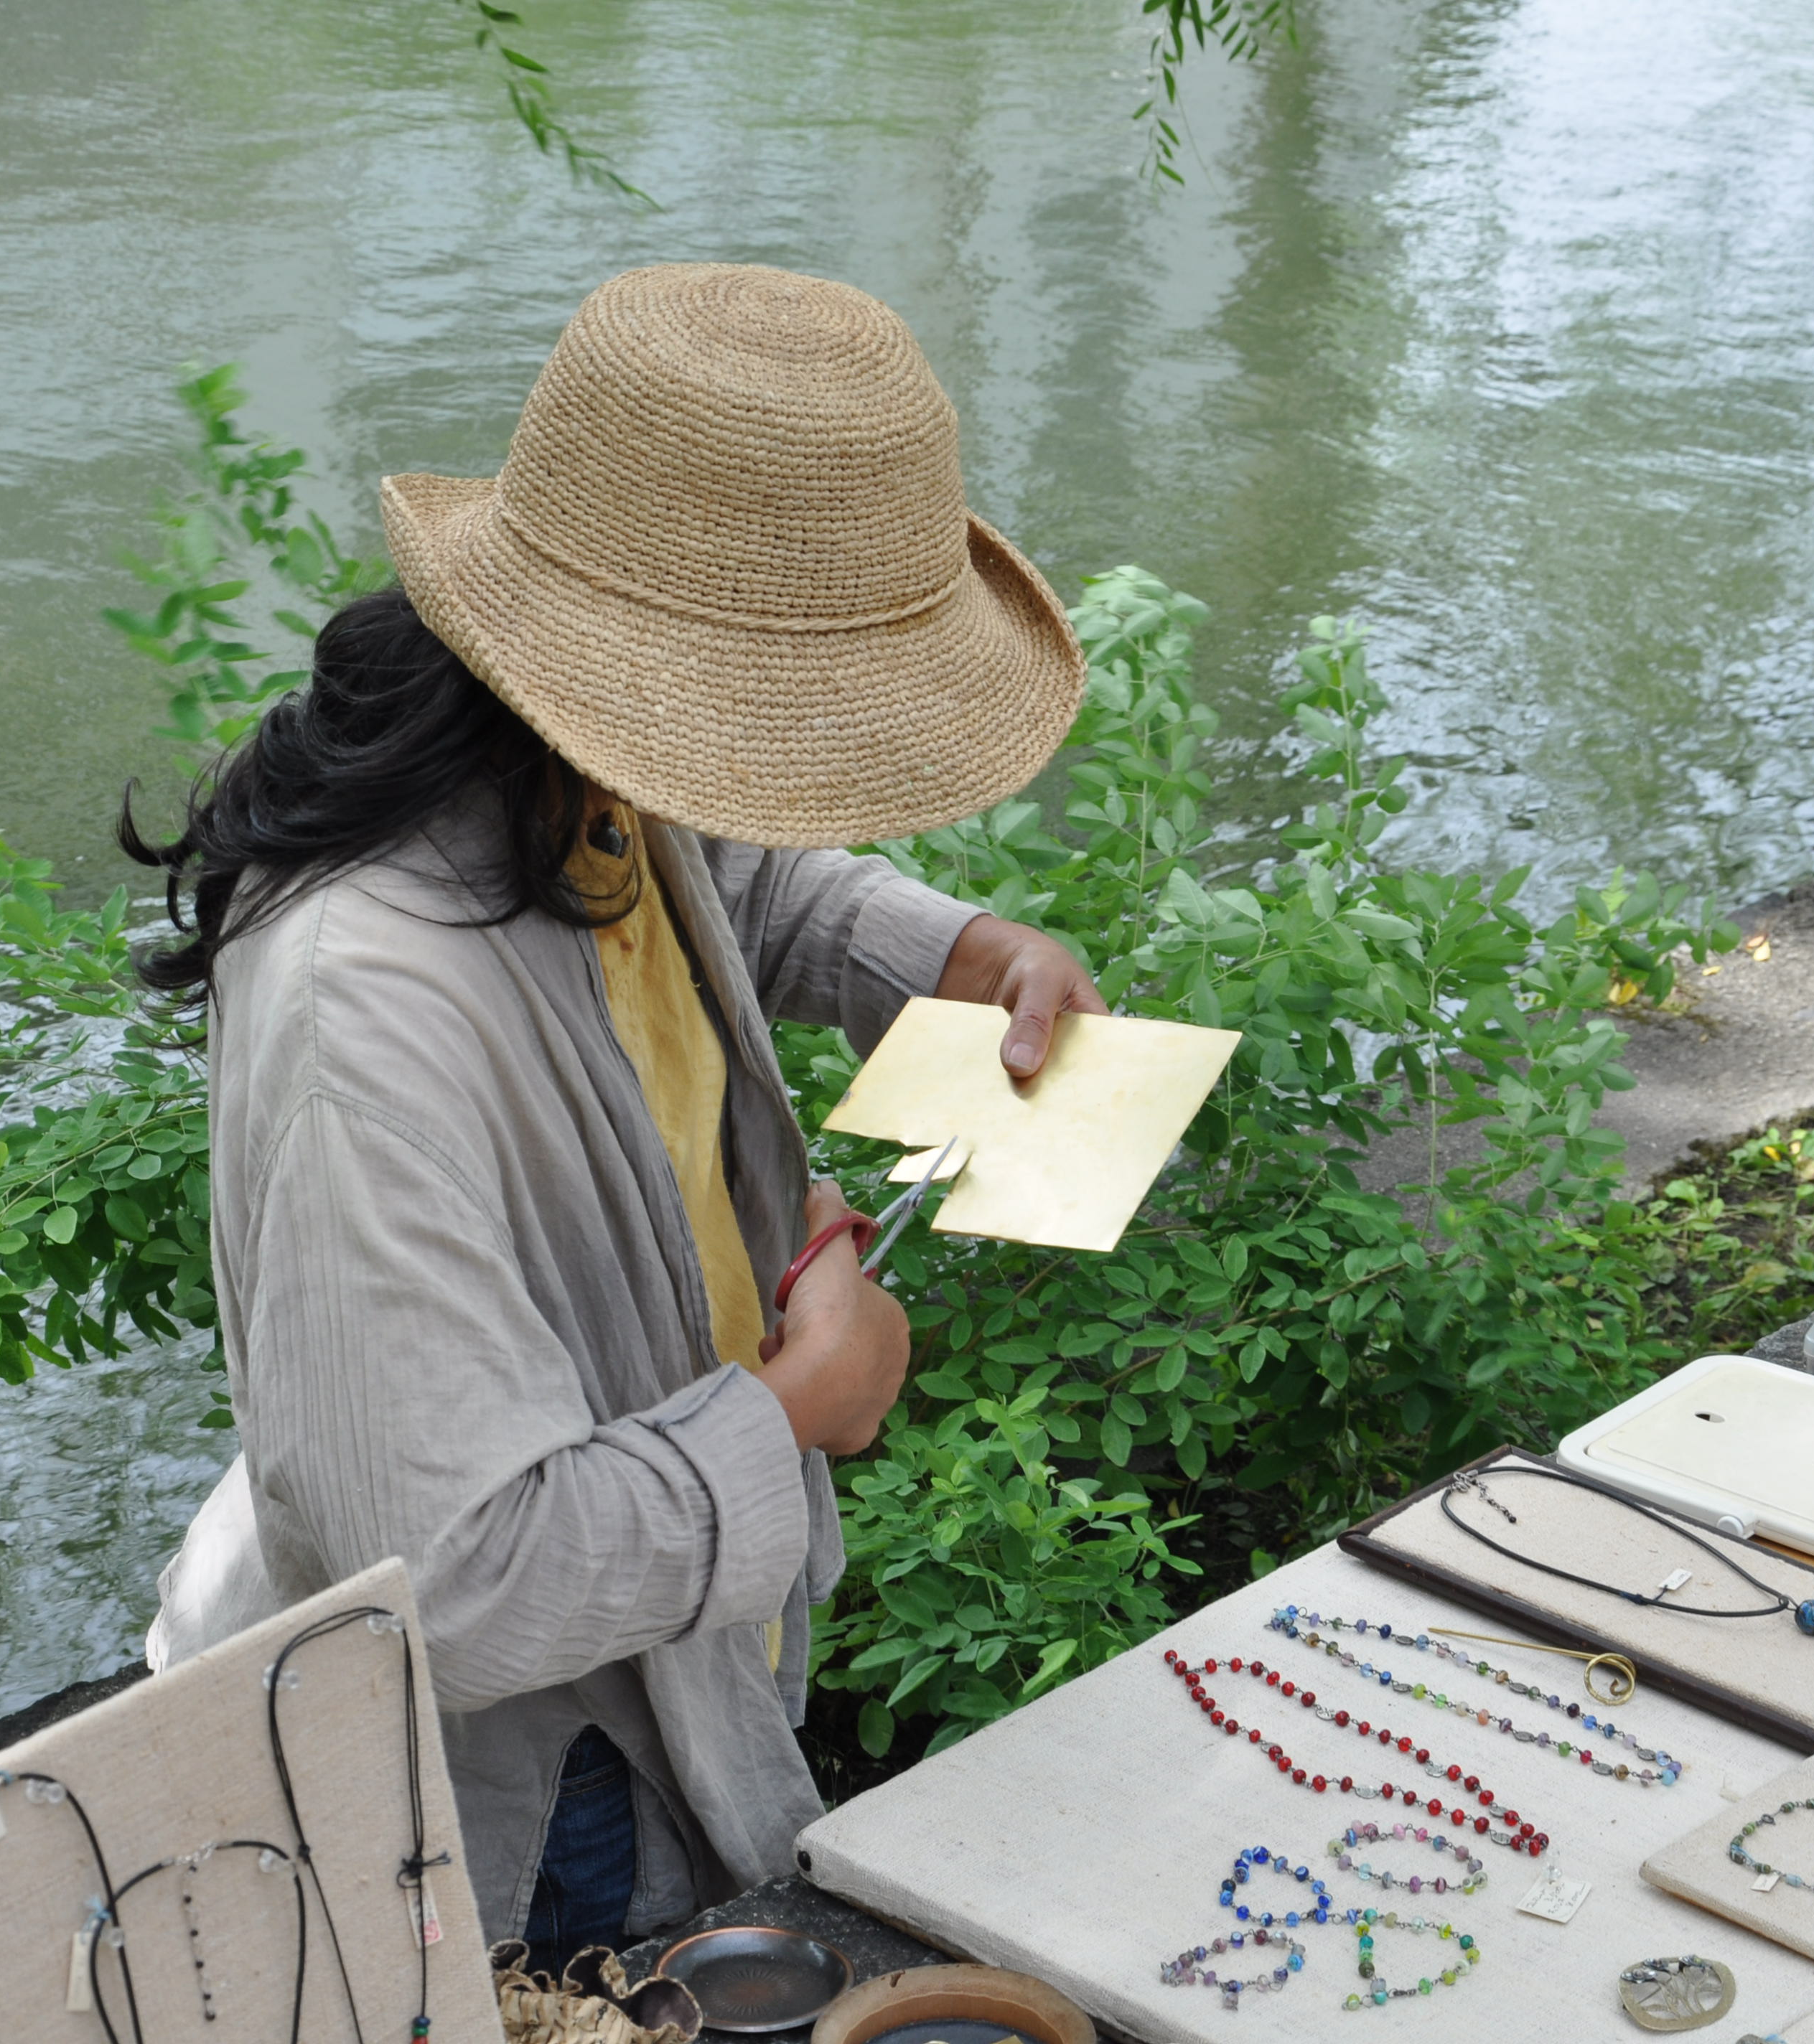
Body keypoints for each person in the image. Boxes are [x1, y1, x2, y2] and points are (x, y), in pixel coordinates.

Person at [129, 264, 1098, 1969]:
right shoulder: (368, 1013)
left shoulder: (568, 766)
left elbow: (732, 869)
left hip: (673, 1644)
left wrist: (946, 951)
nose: (791, 782)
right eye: (789, 728)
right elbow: (458, 1579)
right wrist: (797, 1405)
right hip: (524, 1780)